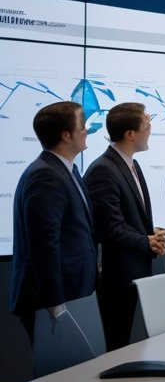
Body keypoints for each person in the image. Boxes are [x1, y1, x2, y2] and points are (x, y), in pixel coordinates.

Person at [9, 101, 96, 341]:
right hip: (53, 301)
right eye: (82, 127)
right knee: (59, 375)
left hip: (75, 293)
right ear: (66, 135)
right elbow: (43, 247)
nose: (86, 131)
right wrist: (56, 305)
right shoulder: (45, 175)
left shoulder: (67, 170)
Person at [83, 102, 165, 350]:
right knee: (115, 345)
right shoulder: (103, 169)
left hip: (133, 271)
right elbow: (109, 227)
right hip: (116, 276)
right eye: (147, 124)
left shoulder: (131, 163)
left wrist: (151, 234)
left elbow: (129, 219)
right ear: (130, 134)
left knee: (124, 344)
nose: (150, 129)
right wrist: (147, 241)